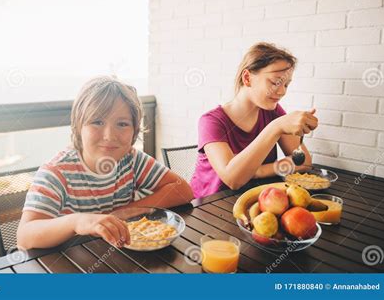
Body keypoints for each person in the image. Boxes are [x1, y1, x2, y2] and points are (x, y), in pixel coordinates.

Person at [18, 76, 194, 249]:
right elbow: (24, 237)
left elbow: (183, 190)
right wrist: (77, 221)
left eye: (122, 124)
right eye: (97, 122)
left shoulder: (131, 159)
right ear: (79, 127)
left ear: (134, 131)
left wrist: (123, 213)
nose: (109, 136)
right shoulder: (56, 172)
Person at [190, 42, 318, 198]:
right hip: (209, 207)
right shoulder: (211, 122)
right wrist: (275, 128)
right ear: (247, 78)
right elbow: (233, 180)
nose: (283, 91)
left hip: (256, 198)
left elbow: (303, 162)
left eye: (286, 84)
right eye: (275, 82)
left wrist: (258, 172)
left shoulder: (273, 112)